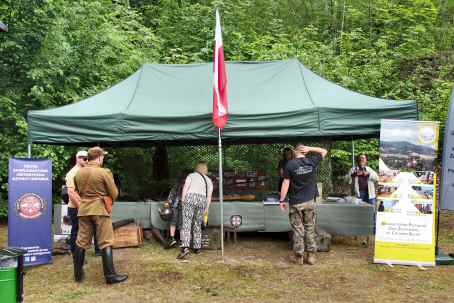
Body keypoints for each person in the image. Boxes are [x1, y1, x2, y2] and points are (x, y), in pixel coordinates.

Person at [72, 146, 127, 284]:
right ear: (99, 157)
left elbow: (78, 190)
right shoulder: (104, 172)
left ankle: (78, 275)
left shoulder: (79, 173)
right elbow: (114, 192)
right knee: (106, 241)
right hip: (100, 210)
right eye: (103, 157)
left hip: (84, 209)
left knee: (81, 241)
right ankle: (110, 276)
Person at [279, 143, 327, 265]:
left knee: (298, 230)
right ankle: (311, 256)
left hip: (296, 203)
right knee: (310, 228)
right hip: (309, 202)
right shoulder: (311, 161)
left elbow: (285, 183)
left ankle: (299, 256)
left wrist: (282, 200)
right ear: (305, 151)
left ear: (295, 152)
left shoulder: (290, 164)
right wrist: (310, 148)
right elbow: (323, 151)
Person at [65, 150, 101, 256]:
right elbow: (71, 193)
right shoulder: (72, 173)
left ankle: (98, 250)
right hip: (76, 206)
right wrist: (82, 207)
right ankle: (75, 253)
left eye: (88, 158)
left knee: (94, 226)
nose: (86, 160)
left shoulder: (86, 171)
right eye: (84, 158)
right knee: (76, 230)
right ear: (77, 158)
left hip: (87, 205)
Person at [177, 161, 213, 259]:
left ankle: (185, 247)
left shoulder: (191, 176)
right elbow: (209, 196)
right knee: (197, 224)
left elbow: (185, 188)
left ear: (197, 168)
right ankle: (197, 248)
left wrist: (183, 200)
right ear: (205, 169)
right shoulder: (209, 180)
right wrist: (207, 208)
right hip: (202, 200)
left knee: (187, 223)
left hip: (190, 198)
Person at [165, 176, 185, 249]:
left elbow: (170, 198)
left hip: (177, 206)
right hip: (179, 206)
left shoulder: (176, 187)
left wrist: (168, 204)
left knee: (176, 223)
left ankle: (174, 239)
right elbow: (170, 198)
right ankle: (179, 241)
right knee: (179, 224)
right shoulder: (186, 186)